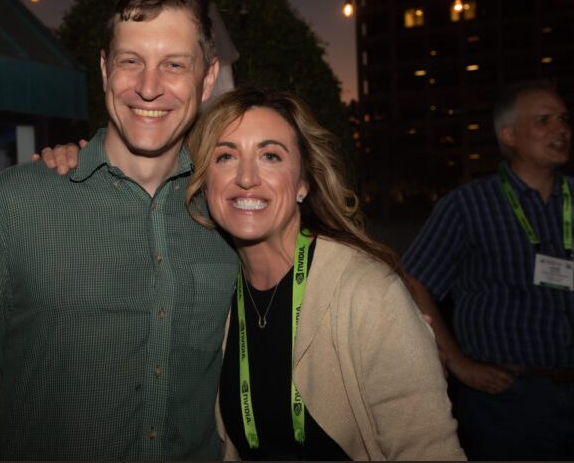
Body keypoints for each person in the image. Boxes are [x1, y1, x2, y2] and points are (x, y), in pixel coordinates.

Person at [43, 87, 466, 460]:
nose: (246, 178)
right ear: (205, 181)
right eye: (226, 156)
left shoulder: (368, 293)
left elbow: (429, 448)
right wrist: (82, 163)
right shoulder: (214, 287)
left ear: (302, 182)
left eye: (270, 155)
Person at [0, 0, 240, 460]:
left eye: (174, 64)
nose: (149, 87)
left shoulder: (228, 214)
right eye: (131, 61)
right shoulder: (16, 204)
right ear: (106, 69)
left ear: (207, 78)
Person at [403, 81, 574, 460]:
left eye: (563, 119)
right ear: (509, 135)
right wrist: (459, 363)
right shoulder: (468, 206)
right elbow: (413, 280)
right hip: (508, 400)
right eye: (544, 121)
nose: (561, 129)